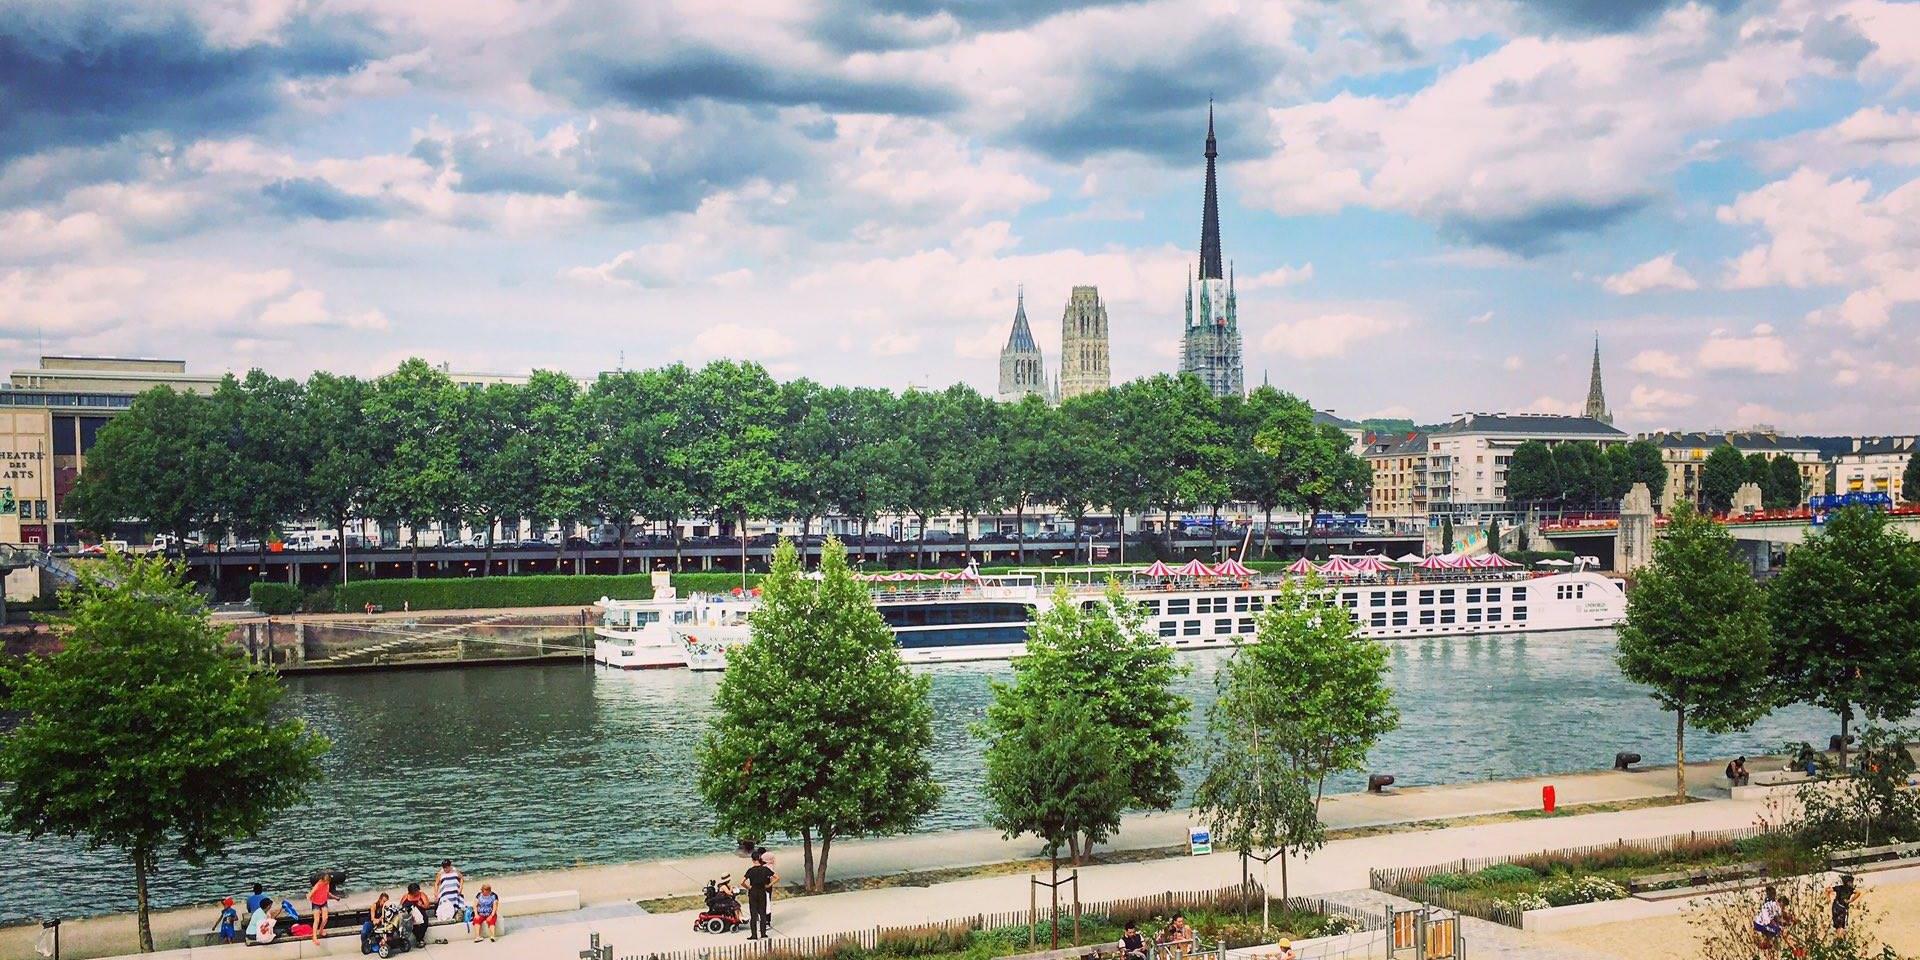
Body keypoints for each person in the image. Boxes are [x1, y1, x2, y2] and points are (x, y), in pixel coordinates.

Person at [744, 851, 777, 940]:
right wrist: (769, 885)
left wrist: (748, 887)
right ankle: (763, 933)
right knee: (762, 913)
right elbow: (777, 877)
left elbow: (742, 882)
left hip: (753, 892)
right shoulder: (765, 869)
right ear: (760, 858)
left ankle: (754, 935)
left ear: (752, 860)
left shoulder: (750, 870)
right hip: (762, 891)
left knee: (753, 914)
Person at [309, 872, 334, 942]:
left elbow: (327, 893)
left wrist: (335, 897)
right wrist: (309, 897)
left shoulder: (327, 884)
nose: (326, 882)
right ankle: (314, 937)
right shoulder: (318, 885)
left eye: (328, 881)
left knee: (325, 918)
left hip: (323, 902)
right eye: (325, 881)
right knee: (316, 920)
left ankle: (321, 930)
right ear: (322, 880)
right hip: (316, 903)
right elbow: (311, 893)